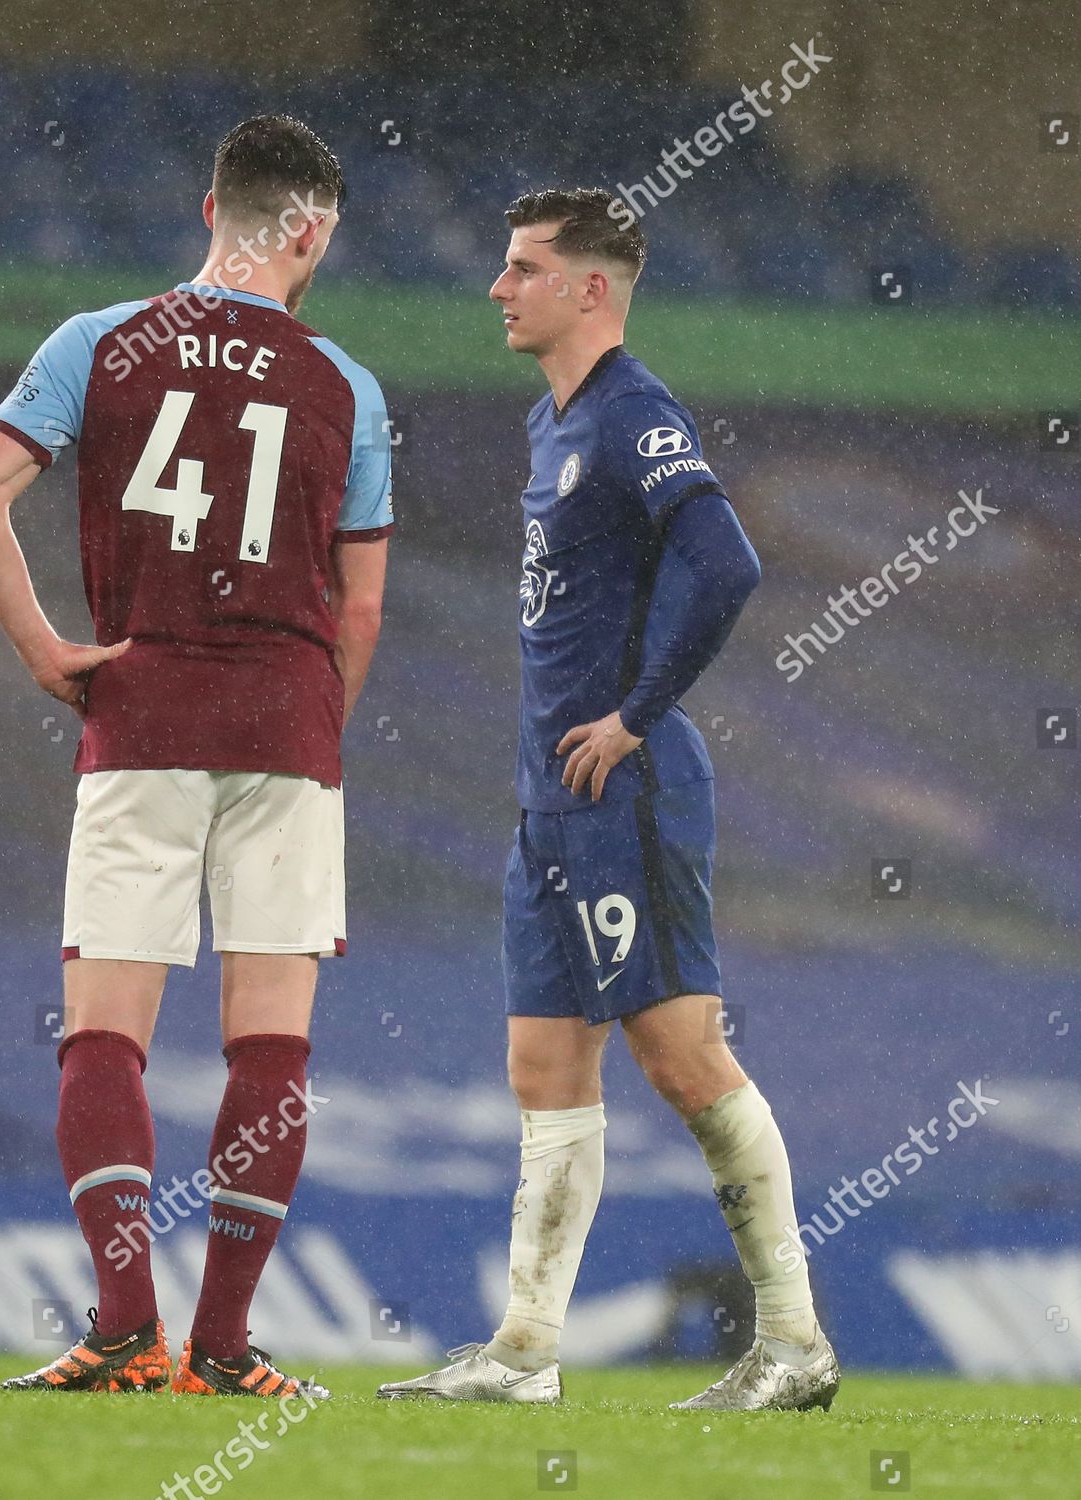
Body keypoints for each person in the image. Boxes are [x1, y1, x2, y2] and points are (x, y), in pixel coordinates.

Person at [0, 114, 391, 1399]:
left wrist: (45, 647)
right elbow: (358, 610)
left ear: (210, 212)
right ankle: (229, 1345)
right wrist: (311, 720)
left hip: (139, 709)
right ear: (309, 233)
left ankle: (126, 1329)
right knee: (271, 1048)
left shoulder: (97, 343)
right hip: (286, 725)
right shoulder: (347, 386)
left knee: (105, 1034)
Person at [377, 187, 837, 1412]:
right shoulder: (552, 423)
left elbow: (726, 562)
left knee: (683, 1057)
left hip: (622, 790)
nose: (497, 287)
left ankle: (792, 1345)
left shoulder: (634, 415)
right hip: (551, 807)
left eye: (522, 267)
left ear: (591, 289)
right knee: (541, 1064)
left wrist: (637, 714)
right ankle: (525, 1353)